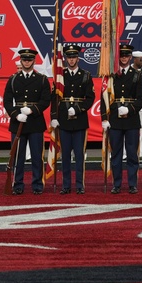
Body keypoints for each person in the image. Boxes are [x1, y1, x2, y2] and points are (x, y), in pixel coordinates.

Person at [3, 48, 52, 194]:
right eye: (24, 60)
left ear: (34, 61)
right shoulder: (13, 79)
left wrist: (32, 110)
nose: (27, 62)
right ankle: (18, 184)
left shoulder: (42, 79)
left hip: (35, 121)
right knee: (18, 157)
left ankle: (37, 185)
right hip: (18, 122)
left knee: (37, 156)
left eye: (29, 60)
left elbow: (45, 100)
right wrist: (15, 114)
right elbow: (7, 101)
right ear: (20, 61)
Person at [101, 43, 142, 194]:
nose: (124, 58)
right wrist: (104, 118)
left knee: (132, 154)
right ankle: (117, 184)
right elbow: (104, 97)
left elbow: (141, 98)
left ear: (131, 57)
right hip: (115, 119)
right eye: (122, 55)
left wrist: (130, 109)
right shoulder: (111, 75)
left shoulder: (137, 75)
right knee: (116, 154)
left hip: (131, 119)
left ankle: (132, 184)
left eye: (127, 55)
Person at [51, 44, 95, 194]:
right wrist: (54, 117)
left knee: (79, 155)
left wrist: (77, 108)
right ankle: (66, 185)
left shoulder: (86, 75)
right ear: (66, 59)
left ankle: (80, 185)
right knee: (64, 156)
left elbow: (90, 98)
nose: (71, 60)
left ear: (78, 58)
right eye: (69, 57)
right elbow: (54, 98)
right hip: (63, 119)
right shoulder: (60, 76)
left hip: (80, 120)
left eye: (73, 57)